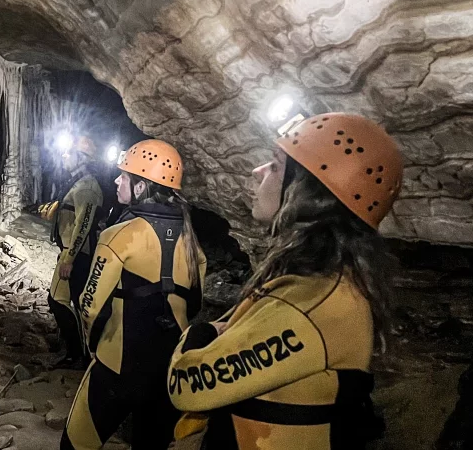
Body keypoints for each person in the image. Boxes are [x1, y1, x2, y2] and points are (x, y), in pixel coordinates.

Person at [167, 112, 403, 449]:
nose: (257, 171)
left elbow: (187, 383)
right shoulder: (322, 282)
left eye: (275, 165)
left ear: (309, 193)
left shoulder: (311, 303)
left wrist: (200, 333)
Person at [61, 139, 207, 450]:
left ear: (140, 187)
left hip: (117, 368)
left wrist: (93, 347)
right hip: (168, 374)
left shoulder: (119, 235)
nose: (116, 180)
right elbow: (194, 304)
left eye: (124, 176)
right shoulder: (193, 243)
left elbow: (89, 306)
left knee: (75, 444)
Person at [48, 135, 105, 369]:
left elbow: (84, 224)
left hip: (79, 255)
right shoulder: (78, 183)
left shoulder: (87, 187)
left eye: (68, 153)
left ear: (81, 158)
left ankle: (82, 356)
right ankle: (74, 352)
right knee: (57, 300)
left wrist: (70, 258)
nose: (63, 157)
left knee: (74, 304)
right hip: (70, 252)